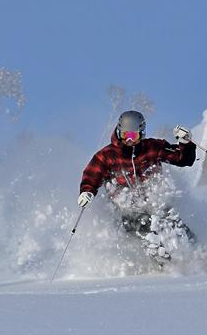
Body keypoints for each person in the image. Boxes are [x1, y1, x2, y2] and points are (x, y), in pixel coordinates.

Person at [78, 110, 197, 264]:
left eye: (133, 136)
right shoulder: (107, 155)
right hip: (127, 212)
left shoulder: (153, 147)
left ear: (141, 133)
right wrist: (87, 192)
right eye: (124, 135)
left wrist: (185, 144)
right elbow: (92, 175)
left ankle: (198, 255)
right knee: (145, 227)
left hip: (154, 204)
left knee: (173, 223)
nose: (128, 140)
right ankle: (168, 266)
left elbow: (182, 159)